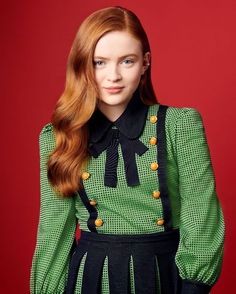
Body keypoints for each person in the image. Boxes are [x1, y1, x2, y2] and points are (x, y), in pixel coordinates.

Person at [30, 6, 225, 294]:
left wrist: (193, 288)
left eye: (127, 61)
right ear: (83, 64)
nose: (113, 76)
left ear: (145, 63)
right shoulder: (59, 137)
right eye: (99, 62)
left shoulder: (179, 125)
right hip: (91, 279)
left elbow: (201, 214)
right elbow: (53, 231)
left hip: (162, 276)